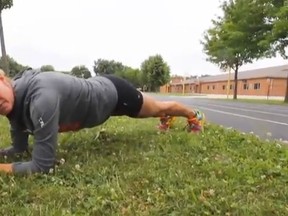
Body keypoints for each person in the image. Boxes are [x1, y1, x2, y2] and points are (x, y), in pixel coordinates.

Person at [0, 68, 205, 174]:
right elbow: (19, 149)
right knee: (155, 110)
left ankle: (193, 115)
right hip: (97, 100)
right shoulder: (13, 100)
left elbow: (42, 166)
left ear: (2, 79)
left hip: (113, 94)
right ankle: (167, 118)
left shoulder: (41, 98)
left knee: (157, 108)